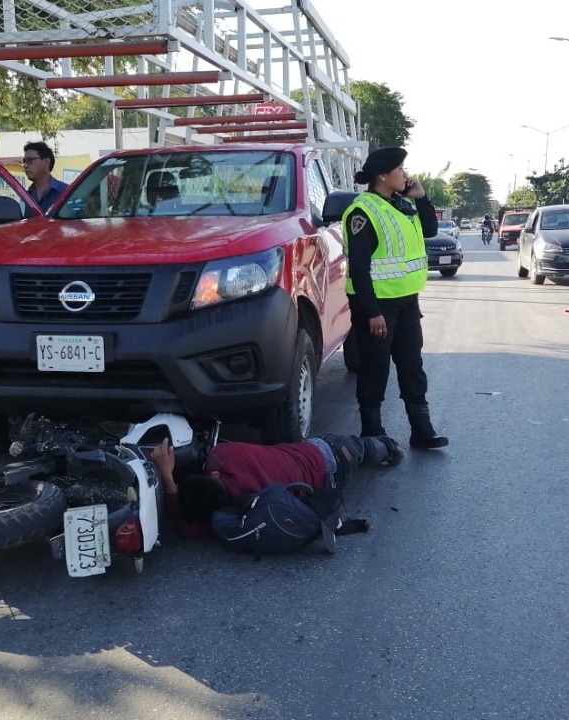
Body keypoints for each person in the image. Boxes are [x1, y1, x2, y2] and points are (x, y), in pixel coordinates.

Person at [342, 147, 449, 450]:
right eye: (400, 169)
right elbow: (359, 269)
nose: (405, 174)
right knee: (376, 367)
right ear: (382, 176)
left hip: (406, 301)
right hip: (376, 306)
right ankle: (372, 433)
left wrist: (422, 197)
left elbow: (429, 229)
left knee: (411, 364)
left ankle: (421, 429)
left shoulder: (402, 204)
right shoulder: (363, 212)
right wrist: (372, 312)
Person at [151, 433, 404, 539]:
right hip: (324, 453)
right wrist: (171, 468)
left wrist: (169, 482)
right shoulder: (223, 454)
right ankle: (390, 446)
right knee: (364, 447)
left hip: (326, 479)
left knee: (358, 451)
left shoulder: (231, 515)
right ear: (213, 473)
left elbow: (188, 527)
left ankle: (386, 448)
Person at [21, 141, 68, 214]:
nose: (25, 166)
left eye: (29, 160)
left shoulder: (66, 193)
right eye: (24, 161)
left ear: (46, 162)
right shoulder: (25, 197)